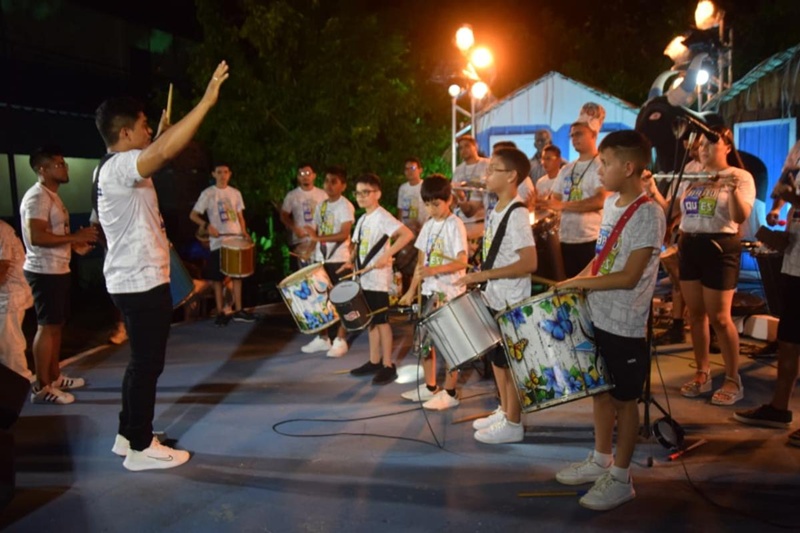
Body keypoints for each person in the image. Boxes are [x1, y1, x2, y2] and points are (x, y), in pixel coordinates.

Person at [94, 60, 229, 471]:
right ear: (124, 133)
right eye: (143, 125)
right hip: (138, 281)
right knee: (147, 364)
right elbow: (165, 151)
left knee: (141, 363)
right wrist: (206, 102)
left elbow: (159, 147)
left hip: (130, 278)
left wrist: (163, 131)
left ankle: (127, 434)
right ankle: (139, 449)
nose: (149, 131)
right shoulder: (121, 168)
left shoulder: (114, 166)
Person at [555, 130, 666, 511]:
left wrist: (583, 280)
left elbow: (630, 275)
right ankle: (601, 459)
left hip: (626, 323)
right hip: (598, 315)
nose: (600, 171)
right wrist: (575, 281)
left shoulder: (650, 213)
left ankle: (621, 477)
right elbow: (602, 259)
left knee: (625, 401)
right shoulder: (613, 205)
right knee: (600, 391)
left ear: (629, 166)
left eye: (606, 164)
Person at [456, 147, 537, 444]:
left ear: (512, 176)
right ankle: (505, 410)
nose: (485, 174)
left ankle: (514, 424)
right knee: (498, 362)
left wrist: (483, 275)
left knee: (511, 364)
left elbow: (529, 262)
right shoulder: (497, 209)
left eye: (493, 170)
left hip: (510, 302)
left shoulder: (516, 213)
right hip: (496, 298)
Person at [672, 126, 755, 405]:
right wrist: (651, 189)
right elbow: (673, 211)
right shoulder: (693, 174)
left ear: (727, 147)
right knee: (695, 315)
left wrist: (731, 191)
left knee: (720, 317)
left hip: (720, 246)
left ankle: (733, 379)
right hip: (689, 244)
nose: (704, 150)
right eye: (701, 146)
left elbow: (739, 215)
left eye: (711, 144)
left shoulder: (740, 176)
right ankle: (702, 373)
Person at [733, 140, 800, 446]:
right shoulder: (797, 150)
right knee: (788, 340)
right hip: (794, 261)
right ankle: (779, 408)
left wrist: (794, 200)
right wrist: (775, 216)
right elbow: (784, 189)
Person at [20, 146, 97, 404]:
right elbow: (37, 236)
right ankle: (42, 387)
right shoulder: (38, 197)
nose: (65, 167)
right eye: (59, 164)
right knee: (47, 326)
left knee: (56, 326)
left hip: (58, 269)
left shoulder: (53, 197)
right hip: (44, 271)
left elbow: (53, 235)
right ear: (42, 169)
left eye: (64, 163)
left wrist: (75, 246)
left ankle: (53, 376)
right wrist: (75, 236)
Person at [398, 175, 468, 410]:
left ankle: (450, 391)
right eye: (427, 204)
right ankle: (430, 387)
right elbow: (420, 262)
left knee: (450, 345)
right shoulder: (428, 225)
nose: (431, 209)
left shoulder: (454, 224)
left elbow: (462, 261)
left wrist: (434, 269)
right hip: (429, 291)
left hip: (449, 293)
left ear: (449, 199)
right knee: (425, 343)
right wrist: (410, 291)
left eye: (436, 204)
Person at [345, 174, 414, 385]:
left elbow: (406, 234)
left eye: (366, 192)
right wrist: (350, 261)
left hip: (377, 279)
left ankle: (388, 364)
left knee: (382, 322)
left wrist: (387, 255)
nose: (361, 197)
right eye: (358, 193)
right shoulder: (363, 218)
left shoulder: (382, 216)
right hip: (363, 278)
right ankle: (374, 360)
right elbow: (357, 244)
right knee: (370, 322)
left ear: (378, 194)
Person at [545, 103, 610, 278]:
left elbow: (599, 200)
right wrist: (540, 203)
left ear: (594, 134)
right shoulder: (566, 169)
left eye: (579, 134)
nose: (574, 139)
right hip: (565, 240)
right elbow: (553, 201)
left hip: (590, 240)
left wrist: (562, 206)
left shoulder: (601, 165)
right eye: (572, 135)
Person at [190, 162, 256, 326]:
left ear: (229, 174)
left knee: (237, 275)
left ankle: (239, 310)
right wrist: (207, 226)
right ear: (213, 174)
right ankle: (220, 312)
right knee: (217, 278)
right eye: (219, 172)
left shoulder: (235, 193)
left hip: (235, 238)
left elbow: (240, 216)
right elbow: (193, 215)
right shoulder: (208, 193)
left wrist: (244, 231)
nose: (222, 175)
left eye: (225, 172)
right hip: (218, 241)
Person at [300, 165, 355, 357]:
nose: (329, 185)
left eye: (334, 182)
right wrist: (308, 250)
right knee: (321, 299)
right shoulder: (322, 205)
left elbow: (344, 234)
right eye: (327, 181)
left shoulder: (345, 206)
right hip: (320, 258)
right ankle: (323, 338)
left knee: (341, 299)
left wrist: (317, 239)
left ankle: (341, 339)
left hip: (339, 258)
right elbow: (317, 233)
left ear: (343, 185)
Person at [0, 220, 34, 381]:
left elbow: (2, 268)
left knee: (9, 346)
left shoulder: (2, 230)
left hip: (9, 297)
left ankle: (20, 384)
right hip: (7, 296)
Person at [280, 164, 328, 271]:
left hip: (319, 241)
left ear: (314, 176)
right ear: (298, 177)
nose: (305, 177)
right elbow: (284, 215)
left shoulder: (323, 195)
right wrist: (294, 228)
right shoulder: (292, 195)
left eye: (308, 173)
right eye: (301, 174)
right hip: (299, 242)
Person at [452, 134, 490, 224]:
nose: (463, 150)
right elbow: (453, 196)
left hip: (482, 220)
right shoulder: (458, 169)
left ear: (475, 146)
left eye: (467, 146)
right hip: (462, 220)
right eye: (460, 148)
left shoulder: (487, 164)